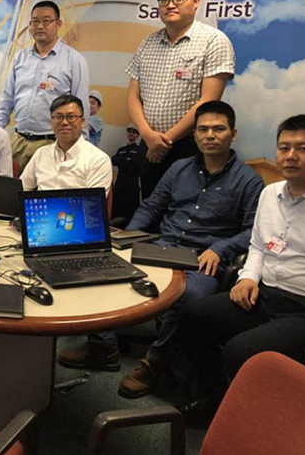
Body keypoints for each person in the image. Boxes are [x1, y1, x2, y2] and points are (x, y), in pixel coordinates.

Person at [58, 102, 264, 400]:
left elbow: (252, 231)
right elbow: (151, 206)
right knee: (101, 268)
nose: (210, 135)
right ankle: (103, 347)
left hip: (202, 258)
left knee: (189, 298)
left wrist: (220, 248)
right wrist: (127, 238)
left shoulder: (249, 181)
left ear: (233, 134)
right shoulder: (179, 168)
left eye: (218, 129)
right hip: (162, 247)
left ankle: (154, 364)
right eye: (203, 129)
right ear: (195, 134)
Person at [178, 114, 305, 415]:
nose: (290, 156)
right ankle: (213, 399)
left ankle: (252, 418)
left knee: (241, 351)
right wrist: (248, 278)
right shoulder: (270, 193)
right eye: (284, 148)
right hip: (265, 293)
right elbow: (257, 245)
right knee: (193, 314)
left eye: (303, 148)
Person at [126, 0, 235, 199]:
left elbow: (208, 101)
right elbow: (133, 97)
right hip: (149, 144)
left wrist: (165, 141)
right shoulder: (147, 43)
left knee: (187, 210)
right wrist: (148, 135)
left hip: (190, 146)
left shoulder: (214, 40)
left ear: (196, 2)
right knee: (151, 207)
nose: (170, 5)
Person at [0, 0, 90, 171]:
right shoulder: (20, 58)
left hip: (52, 143)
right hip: (18, 141)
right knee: (9, 186)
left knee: (45, 188)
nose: (39, 26)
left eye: (46, 21)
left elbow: (81, 106)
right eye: (35, 21)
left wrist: (80, 147)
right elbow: (6, 100)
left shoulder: (74, 60)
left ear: (58, 24)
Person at [20, 94, 111, 193]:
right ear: (51, 122)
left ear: (82, 122)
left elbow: (92, 201)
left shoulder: (99, 160)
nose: (64, 122)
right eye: (58, 117)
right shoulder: (41, 153)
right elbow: (21, 189)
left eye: (71, 117)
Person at [110, 124, 143, 223]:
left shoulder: (139, 150)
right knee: (117, 203)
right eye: (130, 131)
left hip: (132, 183)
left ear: (137, 135)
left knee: (130, 207)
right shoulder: (122, 149)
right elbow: (114, 160)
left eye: (134, 132)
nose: (131, 134)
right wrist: (126, 161)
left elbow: (136, 164)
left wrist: (123, 161)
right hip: (120, 181)